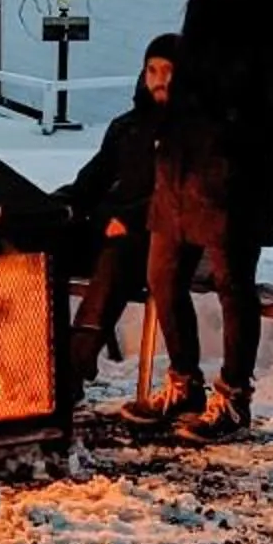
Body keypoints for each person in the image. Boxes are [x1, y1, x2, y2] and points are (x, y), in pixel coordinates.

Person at [116, 0, 273, 444]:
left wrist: (227, 138)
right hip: (179, 169)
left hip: (232, 176)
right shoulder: (202, 8)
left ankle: (234, 396)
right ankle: (184, 383)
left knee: (231, 285)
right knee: (162, 276)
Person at [52, 34, 178, 382]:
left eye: (169, 70)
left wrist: (127, 219)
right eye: (152, 70)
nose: (160, 79)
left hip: (161, 241)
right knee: (41, 247)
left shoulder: (190, 131)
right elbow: (91, 180)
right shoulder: (127, 127)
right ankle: (38, 353)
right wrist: (56, 208)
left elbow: (179, 197)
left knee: (117, 253)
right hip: (109, 228)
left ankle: (72, 369)